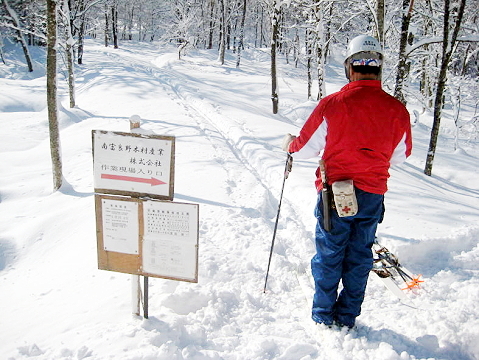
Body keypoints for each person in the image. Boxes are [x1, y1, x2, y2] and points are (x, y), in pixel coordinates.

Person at [282, 35, 412, 329]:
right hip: (372, 193)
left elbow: (304, 148)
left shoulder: (332, 105)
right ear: (379, 68)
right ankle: (348, 315)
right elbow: (401, 155)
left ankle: (323, 314)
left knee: (330, 252)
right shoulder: (397, 110)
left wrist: (289, 145)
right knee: (360, 254)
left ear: (349, 67)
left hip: (335, 192)